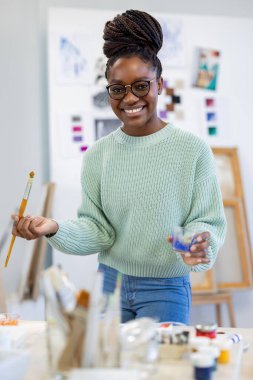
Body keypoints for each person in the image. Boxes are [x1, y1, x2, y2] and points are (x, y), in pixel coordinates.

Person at [12, 10, 226, 324]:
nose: (129, 98)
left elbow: (207, 221)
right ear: (109, 90)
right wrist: (53, 227)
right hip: (109, 284)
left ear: (160, 84)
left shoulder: (192, 150)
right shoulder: (98, 155)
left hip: (165, 288)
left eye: (141, 86)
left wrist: (196, 244)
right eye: (118, 88)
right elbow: (98, 230)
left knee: (159, 372)